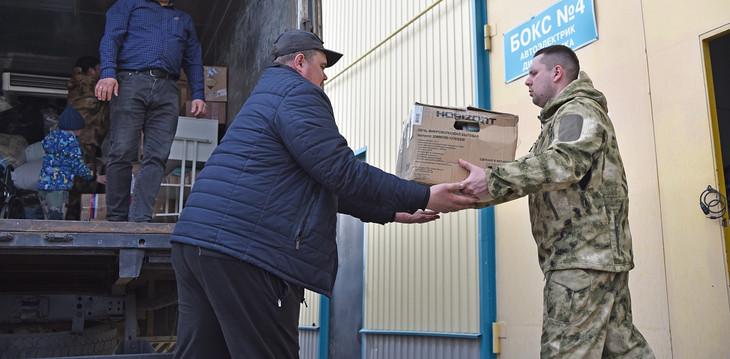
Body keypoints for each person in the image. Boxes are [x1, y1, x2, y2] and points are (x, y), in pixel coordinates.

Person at [170, 29, 478, 358]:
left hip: (195, 242)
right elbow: (340, 171)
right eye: (322, 64)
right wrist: (424, 196)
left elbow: (318, 180)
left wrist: (389, 211)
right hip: (246, 252)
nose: (326, 74)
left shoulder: (266, 97)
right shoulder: (298, 93)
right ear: (300, 62)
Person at [458, 45, 654, 358]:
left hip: (580, 262)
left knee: (564, 351)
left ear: (557, 73)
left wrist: (491, 179)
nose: (527, 81)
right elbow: (535, 173)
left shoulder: (577, 110)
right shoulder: (559, 121)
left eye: (533, 73)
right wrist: (466, 194)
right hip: (593, 261)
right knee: (623, 350)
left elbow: (564, 164)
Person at [95, 0, 207, 222]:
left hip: (168, 89)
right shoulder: (129, 5)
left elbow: (193, 59)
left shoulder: (184, 20)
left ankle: (140, 220)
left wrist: (199, 94)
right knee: (122, 151)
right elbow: (110, 38)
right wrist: (109, 74)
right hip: (131, 81)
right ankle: (116, 220)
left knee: (157, 155)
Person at [37, 105, 106, 220]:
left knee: (48, 221)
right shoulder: (71, 141)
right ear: (76, 129)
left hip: (43, 186)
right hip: (58, 189)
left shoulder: (51, 138)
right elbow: (77, 166)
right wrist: (93, 176)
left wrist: (82, 166)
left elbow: (62, 162)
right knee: (57, 223)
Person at [66, 55, 109, 219]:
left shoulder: (77, 86)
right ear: (91, 70)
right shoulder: (91, 87)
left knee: (74, 190)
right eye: (99, 67)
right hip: (84, 143)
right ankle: (75, 226)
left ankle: (71, 223)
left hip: (79, 142)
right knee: (82, 189)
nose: (102, 71)